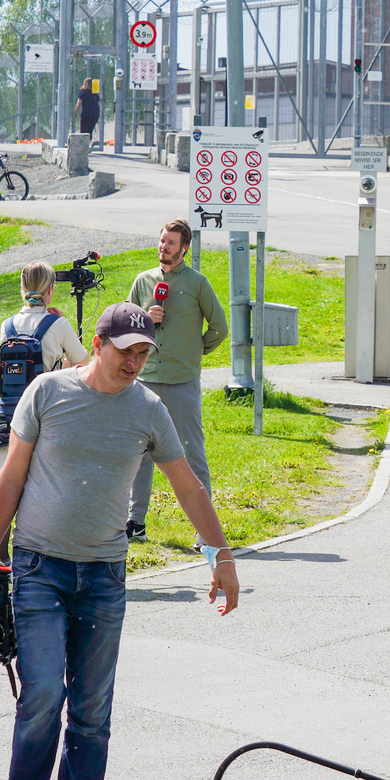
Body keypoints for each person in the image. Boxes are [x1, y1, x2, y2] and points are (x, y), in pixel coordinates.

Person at [0, 301, 242, 780]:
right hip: (39, 568)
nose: (135, 363)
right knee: (43, 695)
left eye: (144, 353)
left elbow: (189, 487)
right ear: (98, 343)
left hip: (103, 575)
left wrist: (221, 556)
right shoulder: (47, 392)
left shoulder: (148, 409)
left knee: (92, 708)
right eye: (127, 352)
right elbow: (11, 477)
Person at [126, 219, 227, 542]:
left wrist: (195, 352)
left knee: (191, 454)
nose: (163, 248)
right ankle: (135, 524)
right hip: (146, 380)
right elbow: (125, 328)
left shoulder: (198, 283)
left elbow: (219, 328)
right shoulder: (144, 282)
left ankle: (204, 532)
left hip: (182, 381)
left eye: (170, 243)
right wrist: (146, 317)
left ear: (184, 248)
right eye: (161, 241)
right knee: (137, 452)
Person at [0, 262, 88, 485]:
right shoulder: (58, 324)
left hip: (9, 414)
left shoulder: (7, 326)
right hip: (46, 413)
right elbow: (84, 365)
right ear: (50, 290)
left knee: (7, 488)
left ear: (22, 289)